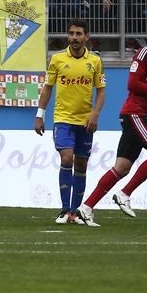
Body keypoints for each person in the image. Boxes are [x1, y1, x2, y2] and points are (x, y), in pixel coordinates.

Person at [77, 20, 147, 225]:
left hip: (140, 116)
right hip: (134, 114)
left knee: (122, 167)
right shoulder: (145, 54)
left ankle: (86, 207)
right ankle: (125, 193)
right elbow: (132, 84)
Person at [34, 20, 105, 224]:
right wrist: (40, 115)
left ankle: (76, 212)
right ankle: (65, 210)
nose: (75, 37)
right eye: (72, 33)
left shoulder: (95, 61)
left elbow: (101, 90)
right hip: (63, 119)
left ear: (86, 37)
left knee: (81, 164)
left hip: (85, 122)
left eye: (79, 33)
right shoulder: (56, 59)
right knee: (67, 159)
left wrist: (95, 114)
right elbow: (48, 87)